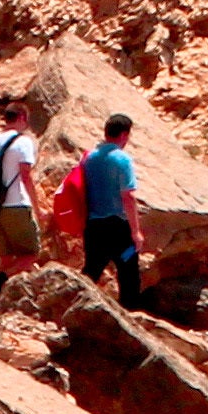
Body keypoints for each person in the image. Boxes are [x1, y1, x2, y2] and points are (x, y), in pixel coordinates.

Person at [80, 111, 146, 301]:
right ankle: (130, 312)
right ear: (124, 134)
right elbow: (128, 196)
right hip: (119, 229)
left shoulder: (89, 158)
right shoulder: (122, 159)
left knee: (91, 270)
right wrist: (136, 232)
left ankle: (74, 303)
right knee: (128, 269)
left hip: (94, 227)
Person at [0, 115, 42, 268]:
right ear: (22, 118)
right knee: (29, 255)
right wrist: (38, 210)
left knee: (6, 258)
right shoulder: (23, 141)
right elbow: (25, 175)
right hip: (16, 205)